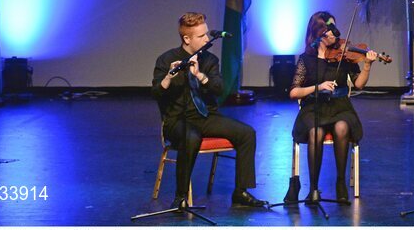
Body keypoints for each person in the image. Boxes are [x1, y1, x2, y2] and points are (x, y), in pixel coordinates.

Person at [151, 12, 266, 209]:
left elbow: (219, 89)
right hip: (177, 121)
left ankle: (241, 191)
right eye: (201, 36)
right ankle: (180, 197)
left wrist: (200, 76)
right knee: (191, 137)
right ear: (186, 39)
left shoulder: (209, 60)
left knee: (247, 133)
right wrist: (169, 77)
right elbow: (156, 93)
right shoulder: (167, 59)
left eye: (206, 34)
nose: (206, 39)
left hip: (205, 116)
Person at [289, 11, 377, 204]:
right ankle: (313, 188)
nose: (335, 34)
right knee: (316, 132)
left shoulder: (344, 55)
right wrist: (317, 87)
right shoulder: (307, 59)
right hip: (313, 107)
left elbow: (359, 84)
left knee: (342, 127)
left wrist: (368, 65)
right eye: (330, 29)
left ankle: (340, 183)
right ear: (318, 32)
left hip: (339, 106)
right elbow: (294, 91)